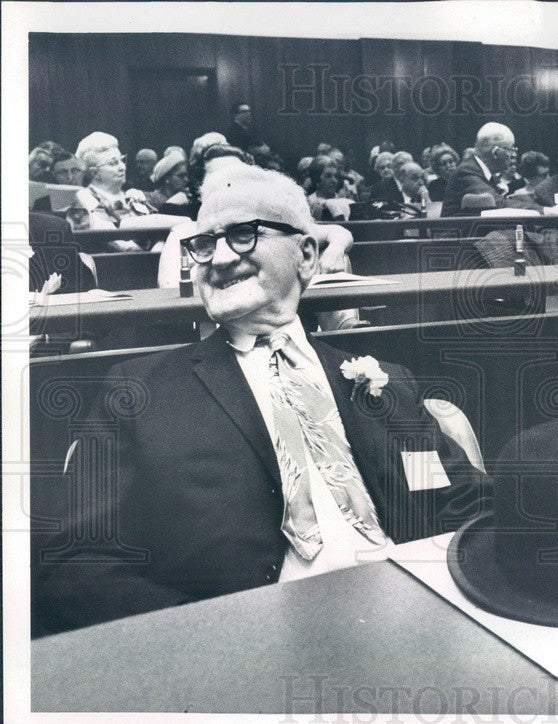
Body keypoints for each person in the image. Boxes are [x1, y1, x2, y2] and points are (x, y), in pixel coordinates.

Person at [35, 162, 490, 633]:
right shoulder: (141, 393)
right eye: (204, 244)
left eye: (244, 234)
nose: (219, 258)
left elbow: (452, 499)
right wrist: (213, 636)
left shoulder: (386, 386)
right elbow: (75, 562)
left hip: (412, 625)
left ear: (307, 255)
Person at [73, 132, 153, 248]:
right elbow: (116, 242)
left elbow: (158, 230)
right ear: (94, 173)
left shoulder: (132, 195)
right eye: (113, 163)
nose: (122, 167)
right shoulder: (84, 198)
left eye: (122, 160)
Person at [441, 123, 534, 217]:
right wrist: (545, 212)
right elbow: (499, 204)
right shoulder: (466, 172)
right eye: (510, 149)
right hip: (456, 231)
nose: (513, 155)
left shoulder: (486, 174)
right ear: (495, 153)